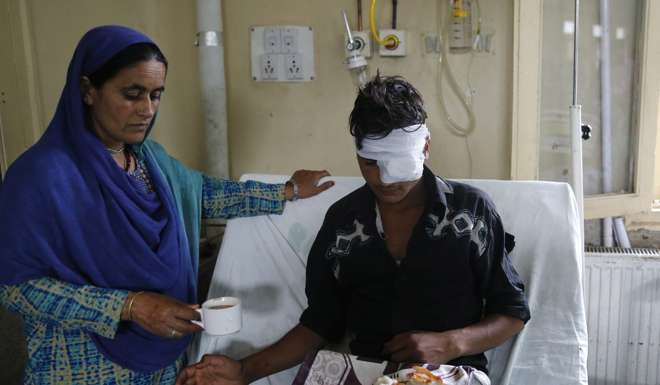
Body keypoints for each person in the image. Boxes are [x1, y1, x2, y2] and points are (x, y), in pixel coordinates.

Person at [0, 25, 333, 384]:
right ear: (87, 90)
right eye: (132, 93)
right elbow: (17, 290)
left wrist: (285, 190)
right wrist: (130, 306)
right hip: (77, 365)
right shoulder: (41, 176)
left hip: (162, 360)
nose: (147, 109)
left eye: (156, 95)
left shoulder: (149, 160)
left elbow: (200, 193)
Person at [176, 74, 531, 385]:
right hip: (365, 371)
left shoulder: (471, 214)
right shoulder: (344, 223)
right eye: (370, 163)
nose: (384, 179)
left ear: (425, 146)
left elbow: (512, 312)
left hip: (452, 371)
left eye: (397, 162)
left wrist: (452, 343)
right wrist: (244, 372)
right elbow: (319, 324)